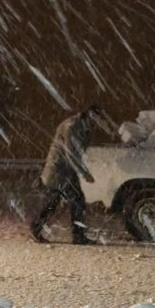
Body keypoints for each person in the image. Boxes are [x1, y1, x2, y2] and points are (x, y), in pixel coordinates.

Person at [29, 105, 102, 245]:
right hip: (60, 170)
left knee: (55, 201)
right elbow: (72, 152)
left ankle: (37, 226)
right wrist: (84, 172)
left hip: (65, 170)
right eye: (96, 119)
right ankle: (78, 235)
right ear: (89, 115)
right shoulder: (72, 126)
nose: (96, 123)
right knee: (77, 201)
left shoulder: (81, 125)